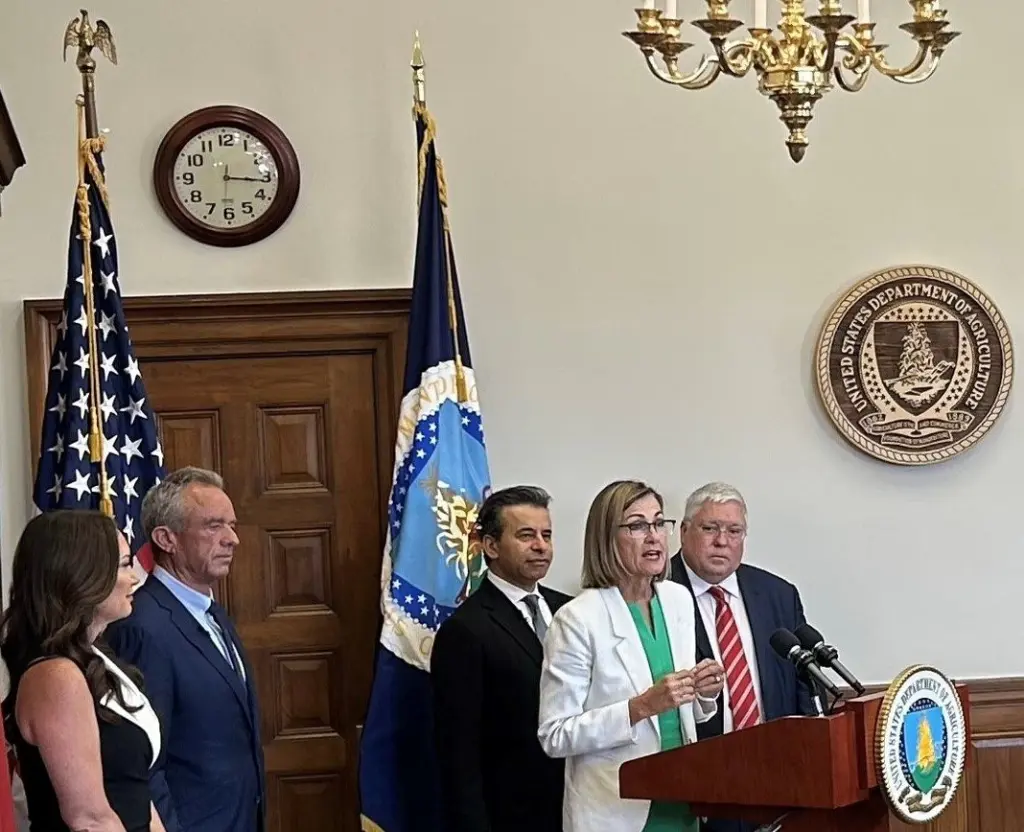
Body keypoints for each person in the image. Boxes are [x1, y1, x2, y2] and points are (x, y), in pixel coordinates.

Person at [538, 480, 725, 832]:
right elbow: (555, 735)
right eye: (638, 526)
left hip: (683, 801)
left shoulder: (678, 599)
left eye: (659, 523)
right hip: (616, 810)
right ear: (606, 538)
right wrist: (639, 707)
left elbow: (680, 713)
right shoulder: (577, 618)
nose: (654, 537)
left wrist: (704, 691)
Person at [106, 467, 265, 832]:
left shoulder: (212, 613)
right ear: (167, 538)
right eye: (213, 526)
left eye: (231, 526)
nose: (232, 539)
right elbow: (143, 761)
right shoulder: (142, 627)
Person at [0, 510, 164, 832]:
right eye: (124, 565)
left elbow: (135, 792)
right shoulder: (56, 676)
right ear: (83, 577)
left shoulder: (99, 659)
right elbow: (89, 819)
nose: (135, 577)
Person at [669, 482, 818, 832]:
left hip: (776, 783)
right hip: (696, 787)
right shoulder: (656, 592)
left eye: (734, 531)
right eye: (710, 528)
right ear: (684, 531)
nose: (722, 541)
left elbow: (803, 687)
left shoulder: (777, 594)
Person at [431, 486, 572, 832]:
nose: (541, 546)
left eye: (546, 535)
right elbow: (459, 754)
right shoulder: (465, 630)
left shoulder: (571, 610)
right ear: (491, 546)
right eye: (526, 535)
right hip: (514, 815)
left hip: (581, 805)